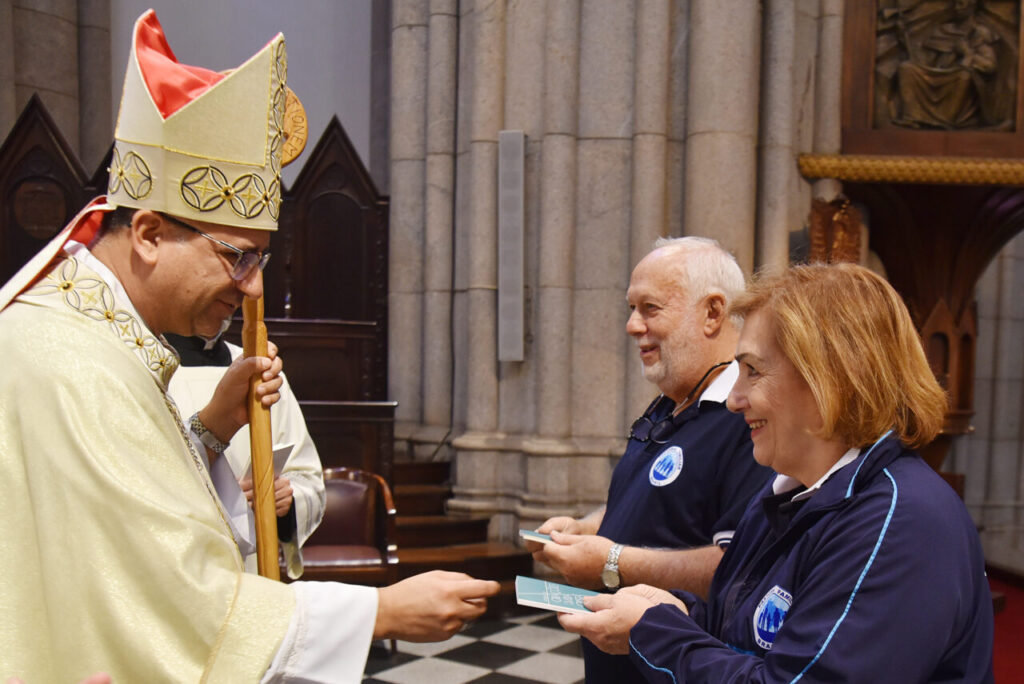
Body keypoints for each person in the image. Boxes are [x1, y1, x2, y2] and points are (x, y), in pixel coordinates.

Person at [0, 11, 497, 682]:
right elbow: (179, 603)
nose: (254, 286)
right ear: (147, 232)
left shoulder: (86, 335)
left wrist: (207, 433)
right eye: (238, 257)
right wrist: (379, 613)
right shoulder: (75, 362)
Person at [560, 262, 995, 682]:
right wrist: (673, 610)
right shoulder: (789, 492)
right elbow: (739, 628)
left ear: (829, 379)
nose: (734, 399)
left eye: (752, 371)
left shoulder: (902, 522)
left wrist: (652, 632)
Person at [527, 237, 772, 683]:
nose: (632, 325)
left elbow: (740, 564)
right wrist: (588, 528)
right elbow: (656, 499)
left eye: (650, 308)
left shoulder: (747, 419)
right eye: (632, 308)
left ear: (713, 313)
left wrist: (612, 560)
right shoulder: (670, 404)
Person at [167, 329, 326, 579]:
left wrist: (286, 502)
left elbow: (308, 478)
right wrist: (226, 500)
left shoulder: (264, 373)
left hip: (254, 570)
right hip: (181, 569)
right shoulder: (149, 366)